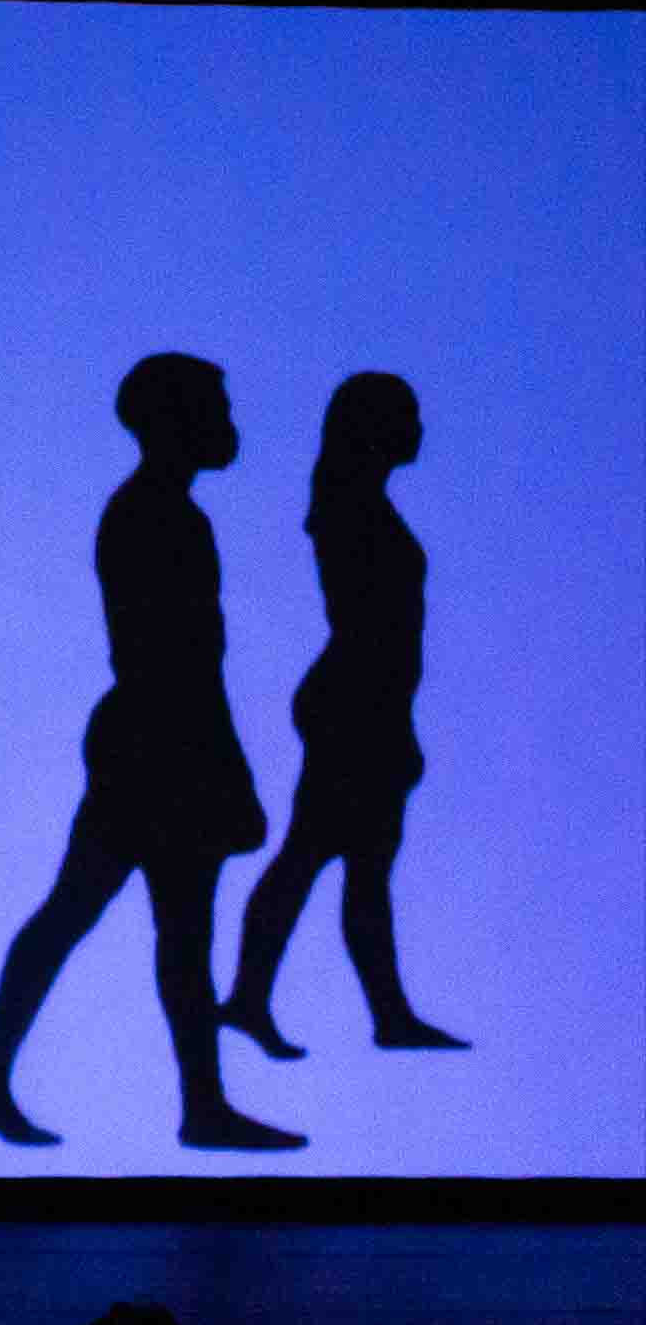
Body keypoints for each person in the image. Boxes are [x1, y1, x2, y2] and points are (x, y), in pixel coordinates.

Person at [0, 353, 301, 1151]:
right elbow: (178, 660)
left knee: (130, 923)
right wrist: (221, 767)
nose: (229, 422)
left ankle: (183, 1101)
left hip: (156, 740)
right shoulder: (156, 516)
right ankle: (190, 1104)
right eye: (216, 405)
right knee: (130, 923)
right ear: (177, 420)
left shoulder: (164, 513)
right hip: (161, 743)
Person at [219, 372, 467, 1058]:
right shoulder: (350, 505)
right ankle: (256, 997)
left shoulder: (359, 504)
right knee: (312, 855)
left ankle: (382, 1012)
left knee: (354, 865)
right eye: (408, 414)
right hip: (358, 704)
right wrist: (385, 721)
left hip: (371, 706)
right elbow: (374, 629)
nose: (420, 427)